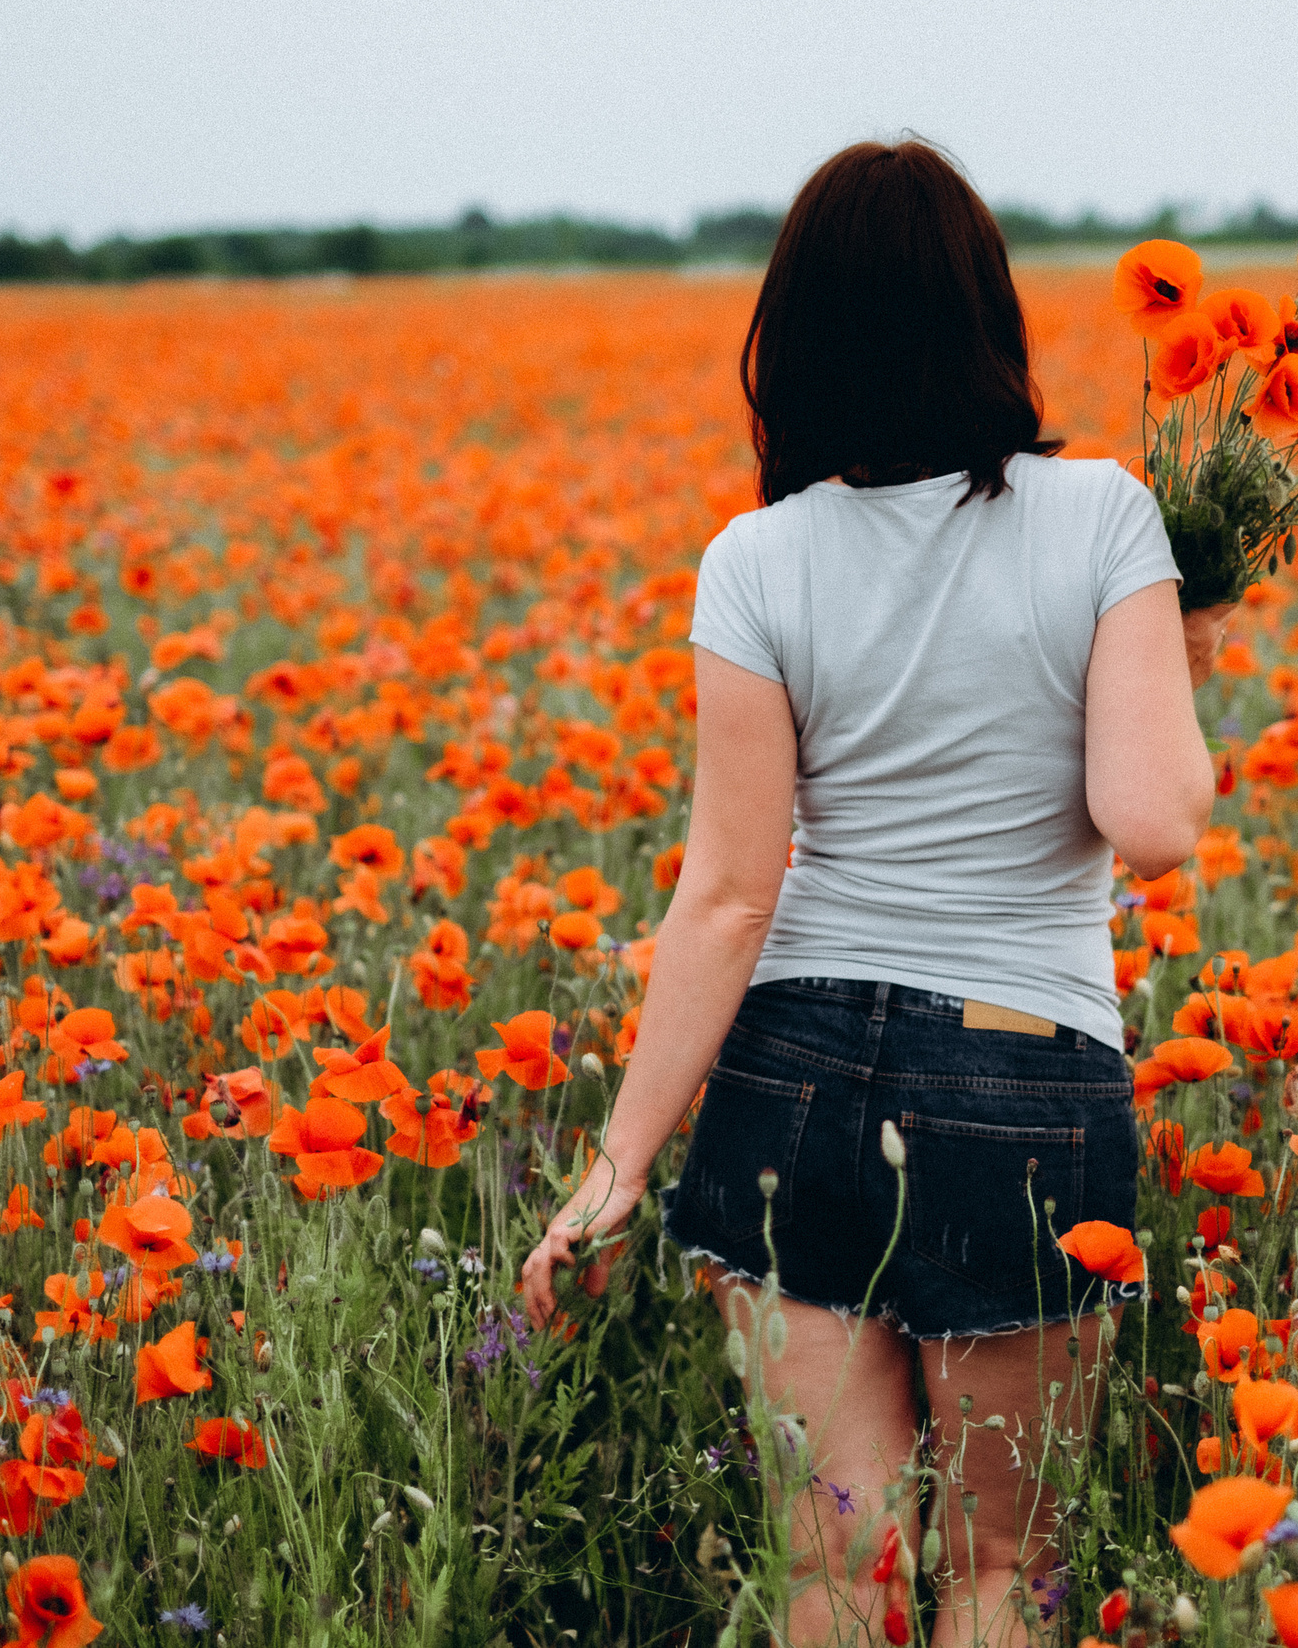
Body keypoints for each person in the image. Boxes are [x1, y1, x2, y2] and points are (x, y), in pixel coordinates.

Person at [519, 138, 1221, 1648]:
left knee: (832, 1567)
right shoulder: (1103, 519)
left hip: (797, 1086)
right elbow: (1153, 822)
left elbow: (726, 892)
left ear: (799, 332)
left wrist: (619, 1169)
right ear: (987, 314)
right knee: (993, 1568)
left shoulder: (755, 561)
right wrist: (1179, 651)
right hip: (1019, 1083)